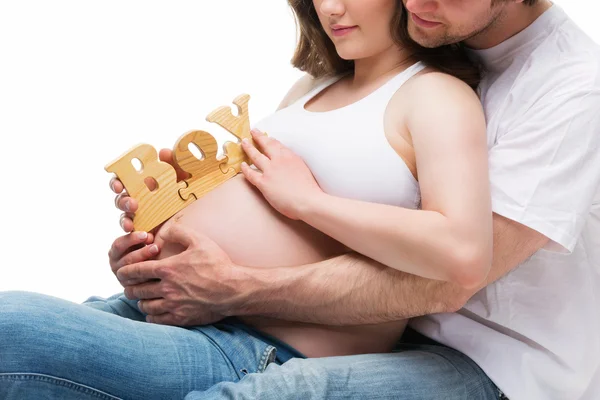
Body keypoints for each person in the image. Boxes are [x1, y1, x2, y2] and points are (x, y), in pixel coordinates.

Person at [0, 0, 497, 399]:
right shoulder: (311, 87)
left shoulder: (435, 95)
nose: (330, 10)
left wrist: (306, 201)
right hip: (188, 312)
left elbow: (459, 247)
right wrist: (157, 241)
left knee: (13, 329)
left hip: (266, 346)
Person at [114, 1, 600, 400]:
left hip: (499, 363)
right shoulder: (427, 50)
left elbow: (451, 279)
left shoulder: (574, 89)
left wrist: (237, 284)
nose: (412, 4)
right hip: (359, 329)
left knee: (279, 393)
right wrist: (182, 214)